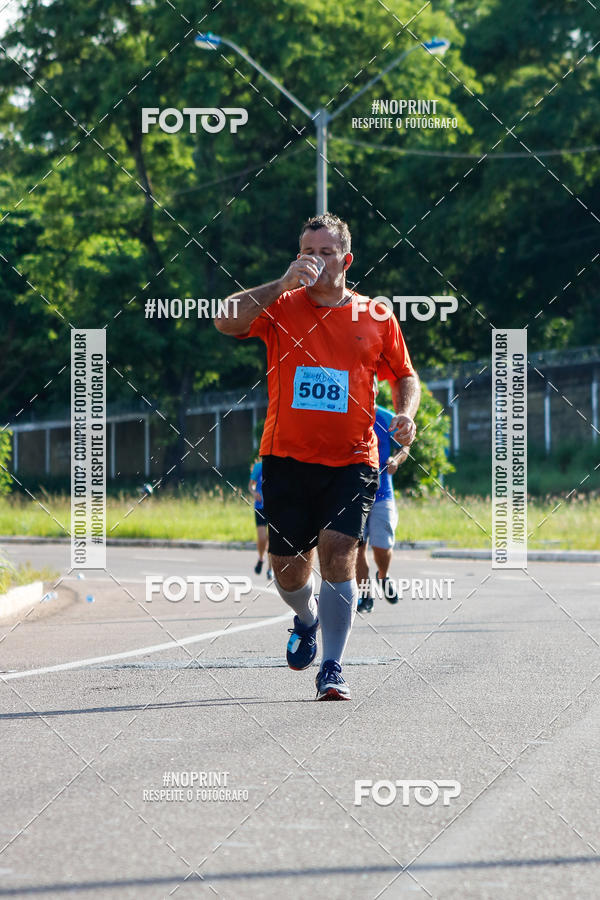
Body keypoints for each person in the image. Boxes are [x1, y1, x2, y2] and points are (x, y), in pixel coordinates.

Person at [215, 213, 420, 700]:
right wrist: (280, 283)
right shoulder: (281, 306)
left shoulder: (376, 316)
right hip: (286, 457)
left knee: (339, 553)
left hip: (353, 459)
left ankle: (332, 667)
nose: (316, 260)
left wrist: (406, 413)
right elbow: (225, 318)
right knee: (288, 569)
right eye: (308, 251)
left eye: (326, 252)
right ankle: (306, 619)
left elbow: (404, 374)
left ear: (346, 261)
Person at [356, 404, 409, 612]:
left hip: (382, 494)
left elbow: (404, 447)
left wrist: (395, 459)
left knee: (382, 548)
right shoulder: (348, 415)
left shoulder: (387, 418)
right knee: (357, 548)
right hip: (354, 496)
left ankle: (383, 575)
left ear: (376, 390)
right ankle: (365, 597)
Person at [248, 458, 273, 579]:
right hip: (260, 507)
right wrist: (254, 493)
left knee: (272, 539)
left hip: (273, 508)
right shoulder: (258, 467)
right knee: (262, 538)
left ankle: (270, 569)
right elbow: (250, 486)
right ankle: (261, 558)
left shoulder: (278, 467)